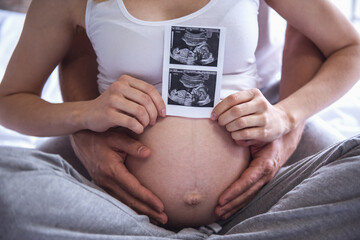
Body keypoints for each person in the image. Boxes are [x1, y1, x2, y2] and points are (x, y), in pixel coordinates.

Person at [0, 0, 359, 236]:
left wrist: (285, 116)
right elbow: (10, 100)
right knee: (7, 182)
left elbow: (349, 47)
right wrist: (86, 113)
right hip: (120, 207)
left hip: (258, 200)